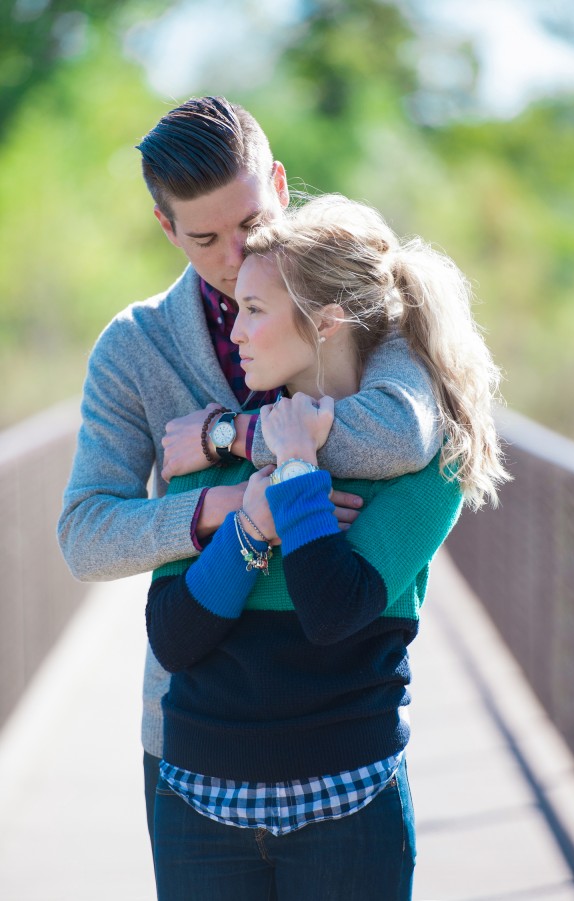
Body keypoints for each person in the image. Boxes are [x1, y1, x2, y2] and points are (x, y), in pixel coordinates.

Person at [57, 97, 442, 848]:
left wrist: (228, 434)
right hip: (187, 733)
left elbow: (404, 432)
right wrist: (229, 507)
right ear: (166, 228)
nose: (236, 256)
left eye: (252, 222)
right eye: (205, 237)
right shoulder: (134, 347)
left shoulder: (357, 302)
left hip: (343, 734)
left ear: (280, 181)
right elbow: (85, 535)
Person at [145, 194, 509, 899]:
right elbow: (173, 636)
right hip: (199, 808)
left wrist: (299, 478)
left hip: (350, 803)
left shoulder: (434, 468)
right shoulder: (211, 443)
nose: (236, 332)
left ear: (328, 320)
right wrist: (251, 526)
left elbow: (333, 611)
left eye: (254, 310)